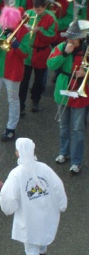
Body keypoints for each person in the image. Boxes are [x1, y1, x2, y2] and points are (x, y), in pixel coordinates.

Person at [0, 138, 67, 255]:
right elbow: (58, 186)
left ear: (17, 152)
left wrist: (9, 209)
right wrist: (62, 204)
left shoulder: (17, 174)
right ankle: (42, 254)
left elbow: (7, 197)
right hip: (46, 212)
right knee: (43, 235)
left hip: (28, 218)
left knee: (30, 247)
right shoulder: (45, 168)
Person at [47, 20, 89, 174]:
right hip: (63, 89)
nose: (69, 42)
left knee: (78, 129)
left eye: (73, 40)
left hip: (81, 94)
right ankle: (64, 153)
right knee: (63, 126)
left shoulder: (87, 51)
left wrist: (86, 74)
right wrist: (65, 53)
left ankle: (76, 161)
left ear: (81, 39)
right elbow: (51, 64)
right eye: (68, 39)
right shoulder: (62, 47)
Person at [0, 6, 30, 141]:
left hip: (13, 71)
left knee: (12, 100)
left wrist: (15, 43)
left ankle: (11, 128)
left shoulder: (24, 31)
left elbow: (25, 54)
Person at [18, 0, 57, 114]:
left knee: (38, 81)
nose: (36, 12)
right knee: (24, 81)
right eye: (35, 9)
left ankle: (35, 101)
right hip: (28, 52)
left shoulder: (51, 18)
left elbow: (52, 37)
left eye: (39, 10)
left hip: (41, 52)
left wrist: (40, 30)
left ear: (44, 7)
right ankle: (21, 105)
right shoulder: (28, 13)